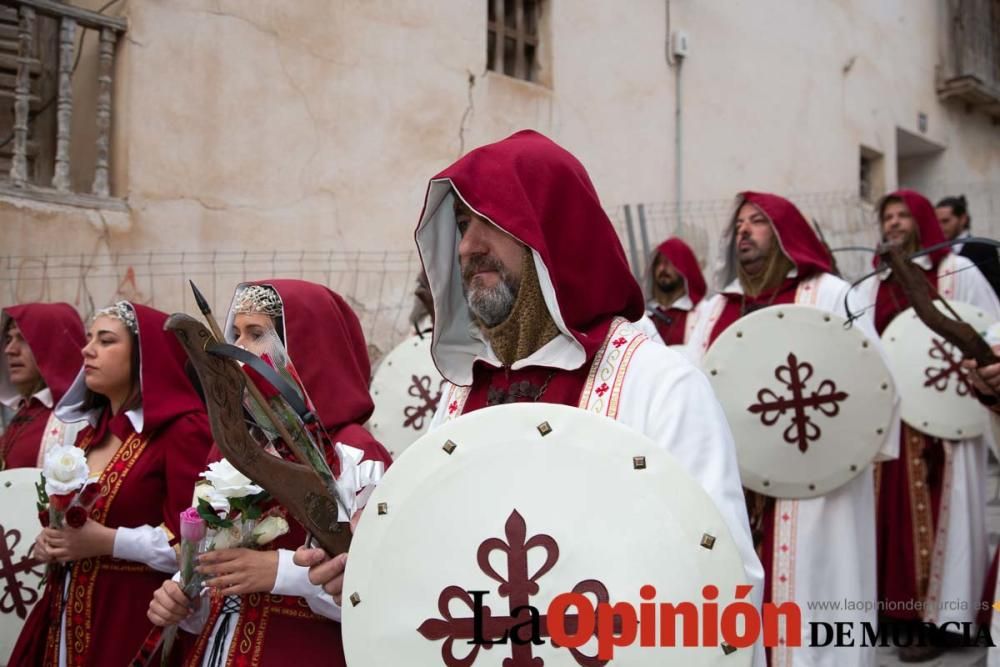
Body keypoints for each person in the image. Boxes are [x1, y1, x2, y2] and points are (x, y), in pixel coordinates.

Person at [298, 130, 764, 664]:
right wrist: (373, 563)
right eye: (462, 225)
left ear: (553, 231)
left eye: (491, 221)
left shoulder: (658, 386)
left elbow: (720, 581)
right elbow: (440, 555)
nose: (469, 246)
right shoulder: (461, 400)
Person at [688, 191, 897, 667]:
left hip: (819, 487)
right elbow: (697, 392)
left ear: (786, 234)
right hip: (737, 486)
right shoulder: (713, 309)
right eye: (738, 224)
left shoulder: (830, 295)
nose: (744, 231)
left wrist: (842, 453)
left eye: (758, 221)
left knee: (817, 588)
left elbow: (874, 383)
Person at [146, 280, 392, 667]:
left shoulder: (355, 453)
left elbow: (381, 596)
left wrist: (280, 571)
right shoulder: (233, 444)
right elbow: (215, 581)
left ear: (306, 346)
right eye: (236, 334)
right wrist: (185, 601)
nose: (238, 348)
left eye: (256, 334)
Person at [9, 301, 213, 666]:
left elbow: (194, 544)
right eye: (89, 339)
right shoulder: (91, 433)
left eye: (105, 341)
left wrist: (107, 541)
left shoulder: (182, 429)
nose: (87, 350)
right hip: (67, 611)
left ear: (143, 356)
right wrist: (56, 542)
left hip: (131, 615)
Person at [859, 189, 1000, 662]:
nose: (894, 223)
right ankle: (895, 616)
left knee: (943, 517)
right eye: (888, 216)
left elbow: (989, 334)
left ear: (922, 221)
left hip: (944, 419)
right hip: (888, 419)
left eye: (903, 215)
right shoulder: (871, 285)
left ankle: (942, 622)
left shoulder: (958, 275)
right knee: (888, 519)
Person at [0, 303, 86, 469]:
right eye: (8, 339)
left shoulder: (81, 417)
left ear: (56, 345)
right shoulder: (27, 410)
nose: (9, 350)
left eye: (23, 339)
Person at [645, 237, 708, 345]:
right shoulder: (646, 316)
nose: (662, 268)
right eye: (658, 263)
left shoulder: (703, 313)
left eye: (669, 262)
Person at [935, 195, 1000, 299]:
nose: (940, 227)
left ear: (963, 219)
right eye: (937, 222)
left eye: (945, 221)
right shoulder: (935, 251)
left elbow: (994, 289)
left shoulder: (984, 249)